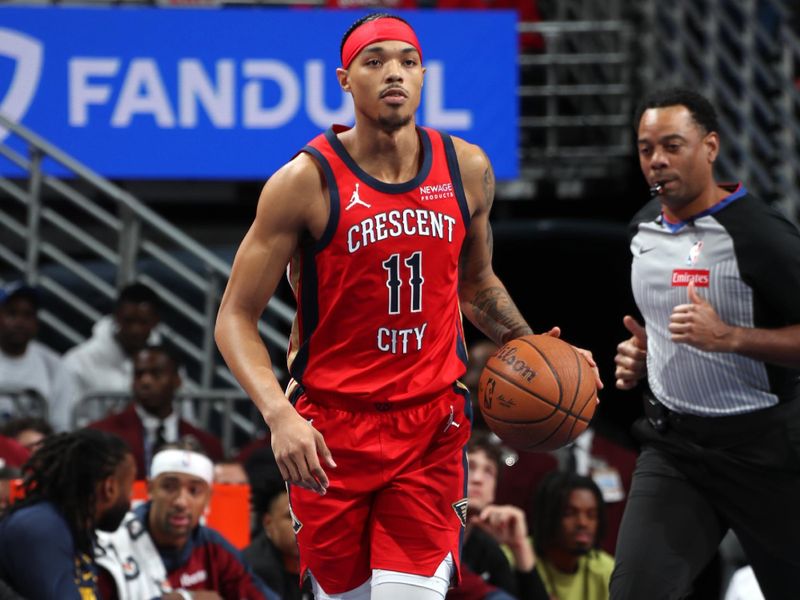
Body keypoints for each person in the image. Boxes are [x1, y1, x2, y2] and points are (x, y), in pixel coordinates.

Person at [215, 13, 601, 600]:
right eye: (375, 62)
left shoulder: (466, 167)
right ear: (345, 79)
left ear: (423, 75)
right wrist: (278, 415)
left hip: (429, 426)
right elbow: (234, 318)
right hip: (331, 431)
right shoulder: (305, 182)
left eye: (407, 61)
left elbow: (475, 284)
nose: (393, 73)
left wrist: (533, 346)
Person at [611, 88, 800, 600]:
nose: (658, 160)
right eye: (646, 148)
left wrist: (731, 338)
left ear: (710, 147)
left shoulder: (759, 235)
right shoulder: (641, 229)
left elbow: (723, 331)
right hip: (678, 449)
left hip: (769, 453)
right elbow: (663, 326)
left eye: (673, 145)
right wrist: (647, 352)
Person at [95, 444, 278, 600]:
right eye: (169, 487)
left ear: (208, 497)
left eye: (194, 490)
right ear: (150, 489)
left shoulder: (214, 548)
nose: (181, 502)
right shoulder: (113, 543)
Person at [0, 429, 136, 599]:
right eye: (129, 489)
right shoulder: (42, 527)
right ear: (109, 488)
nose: (131, 503)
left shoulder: (75, 530)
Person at [88, 344, 223, 479]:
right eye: (139, 374)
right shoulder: (103, 435)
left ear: (177, 380)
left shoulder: (208, 445)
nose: (145, 381)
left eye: (156, 373)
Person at [461, 430, 548, 600]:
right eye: (470, 466)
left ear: (493, 491)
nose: (478, 479)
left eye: (489, 472)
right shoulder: (423, 528)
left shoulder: (488, 550)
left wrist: (519, 545)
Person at [63, 282, 162, 423]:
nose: (135, 329)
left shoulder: (167, 363)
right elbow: (65, 419)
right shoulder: (78, 361)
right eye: (129, 321)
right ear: (116, 317)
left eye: (143, 322)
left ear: (155, 322)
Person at [0, 281, 74, 431]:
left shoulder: (52, 364)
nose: (20, 322)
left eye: (28, 315)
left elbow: (61, 425)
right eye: (12, 313)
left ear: (36, 322)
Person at [531, 471, 614, 600]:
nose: (583, 523)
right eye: (569, 513)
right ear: (548, 515)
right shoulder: (517, 556)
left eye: (592, 515)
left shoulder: (606, 570)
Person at [243, 465, 313, 600]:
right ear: (268, 523)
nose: (302, 525)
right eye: (291, 517)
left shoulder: (323, 563)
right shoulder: (253, 570)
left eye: (310, 516)